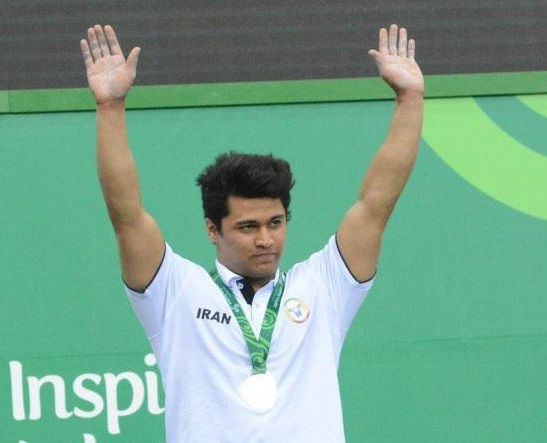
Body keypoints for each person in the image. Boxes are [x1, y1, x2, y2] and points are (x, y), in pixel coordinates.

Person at [80, 23, 424, 443]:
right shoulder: (174, 292)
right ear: (213, 229)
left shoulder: (324, 286)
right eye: (247, 227)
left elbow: (376, 204)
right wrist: (110, 107)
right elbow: (126, 215)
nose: (266, 240)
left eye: (275, 223)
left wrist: (410, 99)